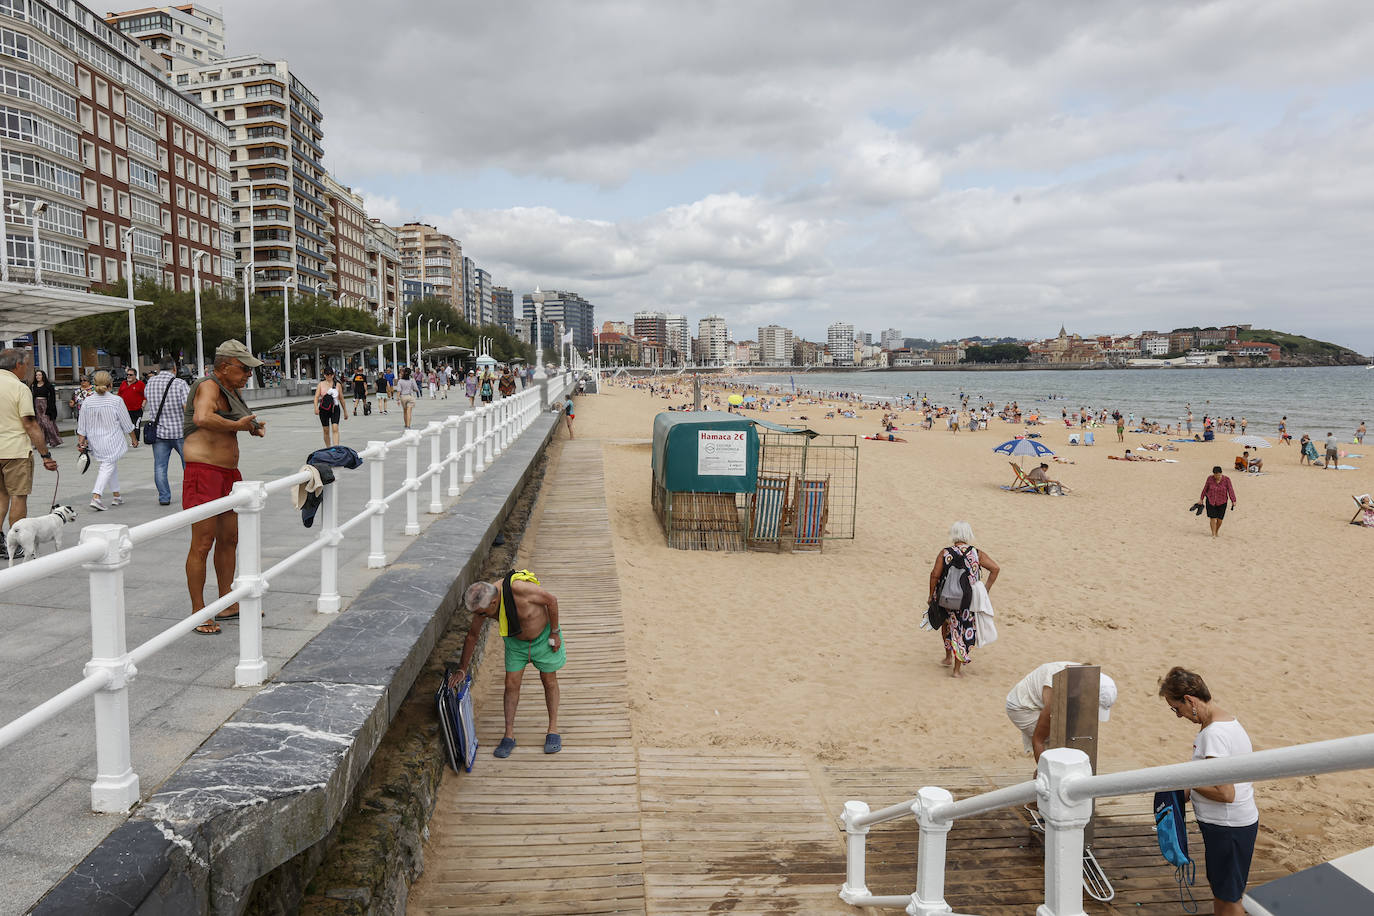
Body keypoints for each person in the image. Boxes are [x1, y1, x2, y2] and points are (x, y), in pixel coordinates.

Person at [1158, 667, 1258, 916]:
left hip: (1227, 827)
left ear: (1190, 700)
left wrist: (1183, 780)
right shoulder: (1227, 721)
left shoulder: (1213, 734)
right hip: (1234, 825)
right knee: (1224, 891)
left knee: (1229, 897)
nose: (1178, 716)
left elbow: (1225, 793)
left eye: (1176, 708)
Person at [184, 341, 265, 635]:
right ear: (225, 365)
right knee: (203, 543)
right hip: (203, 472)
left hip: (227, 474)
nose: (247, 375)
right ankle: (198, 611)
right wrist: (238, 427)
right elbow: (202, 417)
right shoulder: (209, 385)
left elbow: (230, 422)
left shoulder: (231, 391)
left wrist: (251, 426)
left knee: (229, 539)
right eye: (244, 369)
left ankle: (226, 601)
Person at [456, 573, 565, 757]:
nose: (479, 618)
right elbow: (472, 636)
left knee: (549, 680)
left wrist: (554, 632)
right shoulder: (483, 601)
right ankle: (509, 734)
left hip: (543, 638)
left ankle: (552, 729)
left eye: (481, 614)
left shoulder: (520, 590)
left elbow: (552, 601)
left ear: (493, 603)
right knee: (511, 684)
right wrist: (462, 668)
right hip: (515, 643)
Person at [0, 349, 59, 559]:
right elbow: (30, 424)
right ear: (17, 365)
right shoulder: (19, 388)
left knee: (0, 496)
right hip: (15, 451)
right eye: (26, 365)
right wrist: (45, 455)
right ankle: (20, 542)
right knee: (17, 496)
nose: (28, 369)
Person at [927, 521, 999, 679]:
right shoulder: (976, 553)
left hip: (945, 597)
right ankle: (956, 670)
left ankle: (948, 657)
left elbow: (935, 575)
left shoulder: (945, 553)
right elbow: (995, 568)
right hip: (967, 599)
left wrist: (931, 594)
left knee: (946, 624)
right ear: (968, 535)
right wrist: (985, 589)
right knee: (961, 628)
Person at [1005, 662, 1117, 762]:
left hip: (1045, 698)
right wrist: (1045, 772)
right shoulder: (1057, 692)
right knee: (1056, 739)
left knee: (1068, 737)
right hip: (1022, 706)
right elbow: (1039, 739)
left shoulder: (1083, 677)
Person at [76, 371, 136, 510]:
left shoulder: (87, 402)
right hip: (112, 439)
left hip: (95, 441)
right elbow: (126, 424)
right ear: (110, 384)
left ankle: (116, 495)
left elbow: (82, 426)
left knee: (110, 464)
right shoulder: (116, 401)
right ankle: (96, 496)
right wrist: (134, 439)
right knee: (107, 466)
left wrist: (81, 442)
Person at [144, 358, 190, 506]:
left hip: (158, 433)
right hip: (179, 432)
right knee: (188, 465)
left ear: (159, 368)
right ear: (174, 368)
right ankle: (189, 494)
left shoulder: (150, 383)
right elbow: (186, 407)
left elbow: (147, 398)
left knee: (160, 466)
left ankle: (164, 497)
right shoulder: (180, 384)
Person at [1200, 466, 1237, 538]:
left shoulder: (1226, 479)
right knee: (1212, 518)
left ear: (1221, 473)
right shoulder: (1210, 478)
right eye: (1216, 475)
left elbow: (1230, 490)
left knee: (1220, 520)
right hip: (1211, 501)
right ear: (1213, 474)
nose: (1217, 477)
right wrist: (1201, 499)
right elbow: (1205, 488)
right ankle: (1213, 533)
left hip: (1222, 502)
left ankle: (1216, 531)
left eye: (1219, 475)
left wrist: (1233, 500)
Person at [314, 367, 347, 446]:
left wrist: (345, 411)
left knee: (335, 428)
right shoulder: (321, 384)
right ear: (324, 375)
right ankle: (328, 448)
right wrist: (315, 407)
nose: (329, 376)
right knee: (326, 430)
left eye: (331, 374)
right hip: (324, 409)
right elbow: (316, 397)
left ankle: (336, 447)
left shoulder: (338, 385)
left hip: (334, 408)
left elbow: (341, 399)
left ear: (333, 375)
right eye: (327, 374)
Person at [29, 368, 61, 448]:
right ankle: (40, 443)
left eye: (39, 375)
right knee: (39, 424)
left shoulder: (48, 386)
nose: (37, 376)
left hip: (46, 405)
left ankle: (55, 440)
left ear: (43, 376)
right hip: (36, 405)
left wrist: (51, 408)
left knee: (47, 423)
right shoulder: (33, 386)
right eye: (36, 375)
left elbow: (52, 398)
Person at [116, 366, 146, 447]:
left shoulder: (140, 384)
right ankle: (133, 440)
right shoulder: (123, 383)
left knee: (136, 426)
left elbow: (145, 396)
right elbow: (119, 395)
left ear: (135, 376)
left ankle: (136, 441)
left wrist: (143, 405)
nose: (128, 376)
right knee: (128, 426)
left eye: (130, 375)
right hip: (125, 410)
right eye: (127, 375)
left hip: (137, 409)